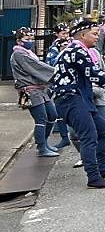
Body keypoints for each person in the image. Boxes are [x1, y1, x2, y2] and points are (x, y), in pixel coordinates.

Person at [50, 18, 105, 188]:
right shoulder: (76, 50)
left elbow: (93, 73)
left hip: (80, 98)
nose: (97, 37)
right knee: (89, 136)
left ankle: (102, 168)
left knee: (104, 131)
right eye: (94, 34)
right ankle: (93, 177)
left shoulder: (80, 49)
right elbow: (92, 72)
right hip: (69, 98)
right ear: (83, 35)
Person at [11, 28, 62, 157]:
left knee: (52, 114)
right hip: (30, 90)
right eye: (27, 39)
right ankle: (41, 147)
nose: (30, 41)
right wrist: (56, 72)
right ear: (18, 41)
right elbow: (36, 67)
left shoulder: (27, 52)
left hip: (39, 89)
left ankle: (44, 143)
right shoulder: (19, 54)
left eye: (31, 39)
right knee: (41, 118)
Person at [43, 24, 73, 149]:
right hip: (57, 83)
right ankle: (64, 137)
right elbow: (50, 65)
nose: (65, 36)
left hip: (70, 83)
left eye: (67, 33)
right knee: (58, 110)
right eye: (63, 33)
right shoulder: (54, 48)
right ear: (57, 34)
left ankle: (71, 135)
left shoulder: (72, 46)